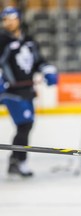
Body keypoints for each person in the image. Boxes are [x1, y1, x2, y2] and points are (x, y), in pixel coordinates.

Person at [0, 7, 58, 177]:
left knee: (25, 126)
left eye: (12, 18)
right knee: (24, 124)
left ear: (19, 19)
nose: (8, 22)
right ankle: (20, 162)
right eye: (5, 19)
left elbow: (39, 61)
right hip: (10, 91)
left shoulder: (30, 40)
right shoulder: (2, 40)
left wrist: (48, 71)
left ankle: (15, 160)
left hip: (27, 90)